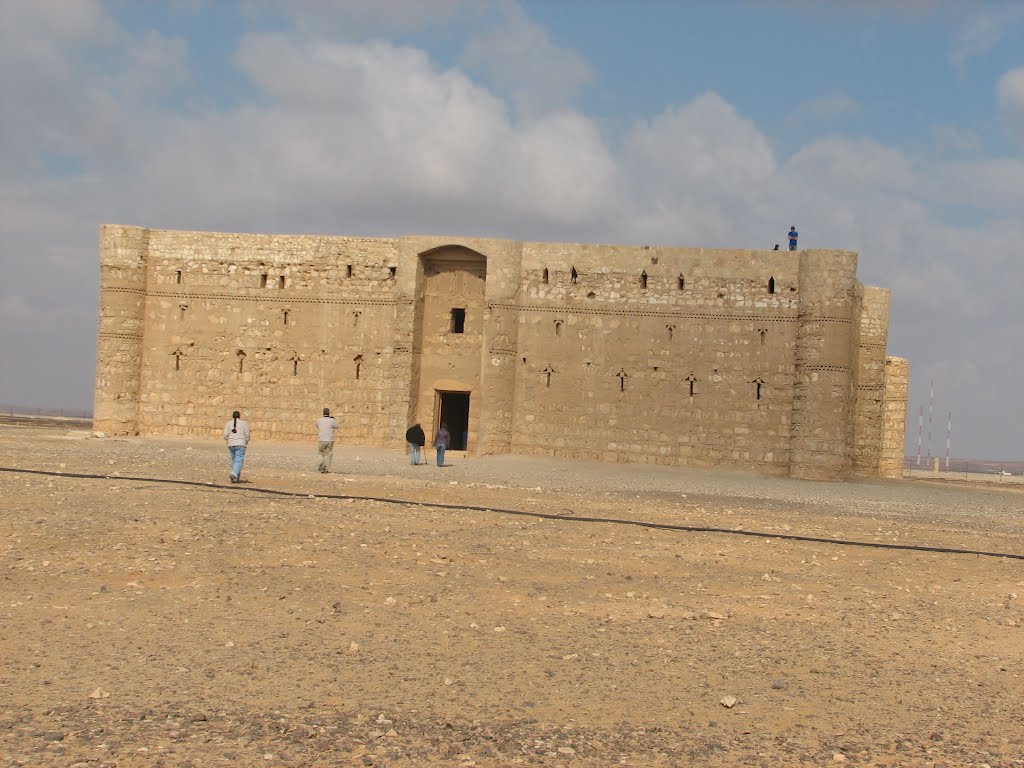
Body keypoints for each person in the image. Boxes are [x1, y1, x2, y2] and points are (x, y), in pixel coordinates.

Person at [223, 410, 250, 483]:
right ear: (239, 416)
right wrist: (246, 441)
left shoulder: (228, 423)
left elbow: (225, 435)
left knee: (234, 460)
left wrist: (228, 440)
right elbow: (247, 435)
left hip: (231, 444)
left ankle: (235, 478)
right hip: (241, 443)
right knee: (239, 460)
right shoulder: (244, 423)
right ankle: (234, 474)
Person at [316, 407, 339, 473]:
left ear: (323, 413)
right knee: (328, 454)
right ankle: (326, 469)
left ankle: (321, 461)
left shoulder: (319, 420)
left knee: (320, 453)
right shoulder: (332, 420)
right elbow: (337, 426)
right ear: (329, 413)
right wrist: (334, 419)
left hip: (321, 440)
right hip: (330, 440)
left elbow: (317, 426)